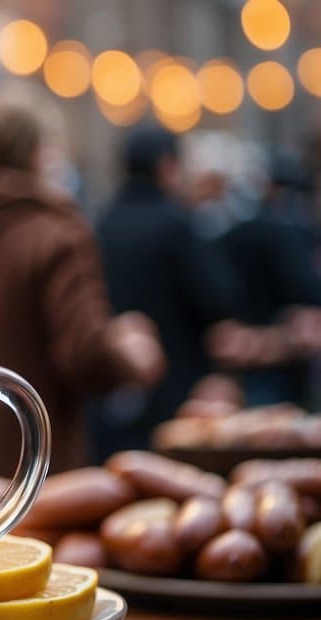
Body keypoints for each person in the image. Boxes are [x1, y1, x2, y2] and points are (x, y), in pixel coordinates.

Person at [0, 84, 165, 497]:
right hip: (35, 479)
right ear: (37, 151)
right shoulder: (56, 233)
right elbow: (86, 354)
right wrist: (132, 352)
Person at [91, 126, 242, 457]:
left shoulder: (101, 223)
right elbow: (218, 299)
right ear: (166, 166)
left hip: (112, 389)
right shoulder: (178, 225)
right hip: (177, 384)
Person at [216, 150, 321, 405]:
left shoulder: (236, 227)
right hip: (281, 351)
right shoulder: (288, 231)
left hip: (247, 345)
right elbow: (306, 289)